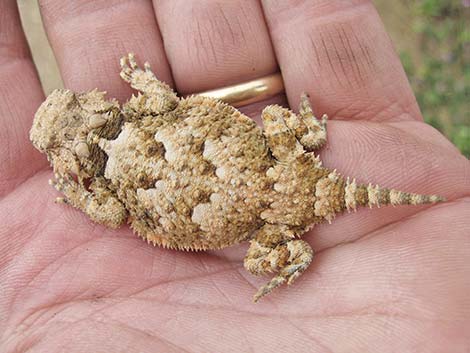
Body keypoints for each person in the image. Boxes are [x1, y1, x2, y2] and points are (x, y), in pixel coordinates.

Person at [1, 1, 468, 351]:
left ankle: (295, 256)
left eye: (72, 102)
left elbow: (106, 213)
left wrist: (77, 197)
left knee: (256, 263)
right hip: (268, 174)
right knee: (278, 123)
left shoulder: (107, 186)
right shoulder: (141, 114)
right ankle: (304, 139)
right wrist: (143, 81)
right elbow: (163, 100)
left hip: (267, 208)